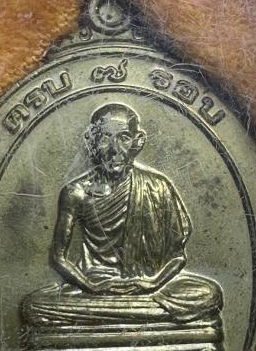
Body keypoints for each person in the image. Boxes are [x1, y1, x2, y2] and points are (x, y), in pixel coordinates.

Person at [22, 102, 223, 328]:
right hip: (95, 288)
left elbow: (178, 256)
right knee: (34, 305)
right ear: (91, 142)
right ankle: (140, 314)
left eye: (124, 138)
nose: (114, 149)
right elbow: (58, 258)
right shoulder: (76, 192)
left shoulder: (158, 186)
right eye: (105, 138)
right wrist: (91, 286)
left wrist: (152, 283)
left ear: (138, 142)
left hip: (149, 287)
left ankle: (116, 315)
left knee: (209, 294)